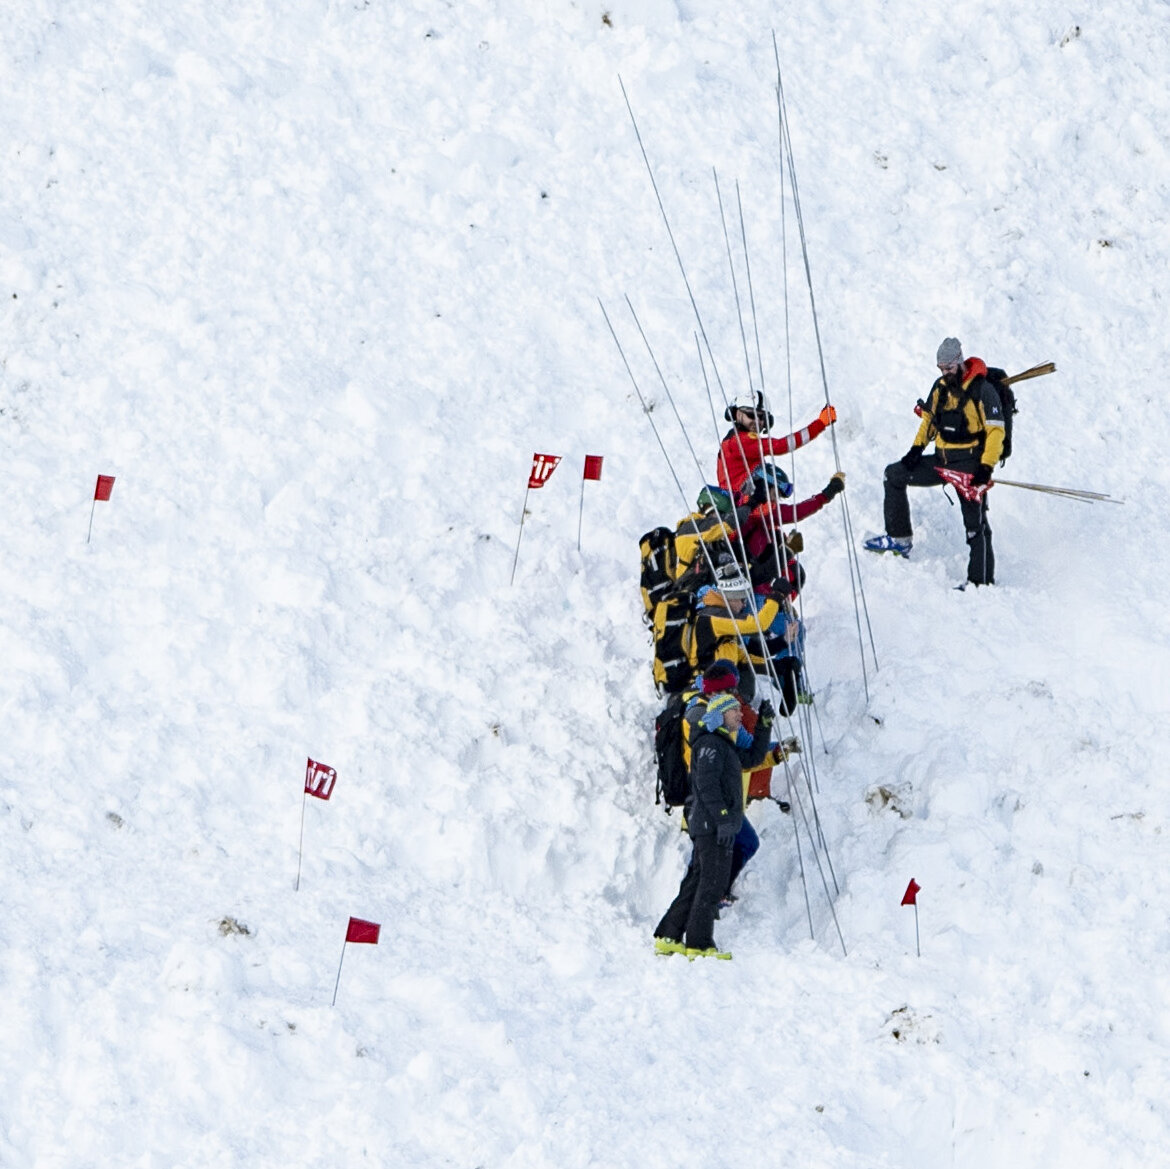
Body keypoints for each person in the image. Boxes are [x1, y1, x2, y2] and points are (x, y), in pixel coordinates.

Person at [865, 337, 1004, 587]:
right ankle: (900, 538)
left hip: (969, 466)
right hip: (941, 462)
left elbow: (996, 432)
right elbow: (929, 421)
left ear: (959, 362)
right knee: (893, 475)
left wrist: (986, 467)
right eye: (940, 369)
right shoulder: (940, 387)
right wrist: (916, 450)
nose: (944, 373)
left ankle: (980, 582)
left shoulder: (983, 390)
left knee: (976, 525)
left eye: (948, 368)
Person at [653, 691, 775, 959]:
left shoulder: (723, 744)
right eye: (735, 711)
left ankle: (668, 936)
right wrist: (723, 818)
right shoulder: (710, 743)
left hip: (712, 825)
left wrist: (764, 726)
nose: (740, 715)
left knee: (698, 882)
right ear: (720, 714)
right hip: (711, 826)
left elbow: (754, 758)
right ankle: (699, 943)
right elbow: (706, 786)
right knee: (711, 884)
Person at [717, 393, 837, 495]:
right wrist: (820, 424)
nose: (757, 421)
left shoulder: (737, 439)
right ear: (738, 414)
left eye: (762, 417)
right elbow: (782, 445)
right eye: (751, 415)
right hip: (741, 506)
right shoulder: (741, 441)